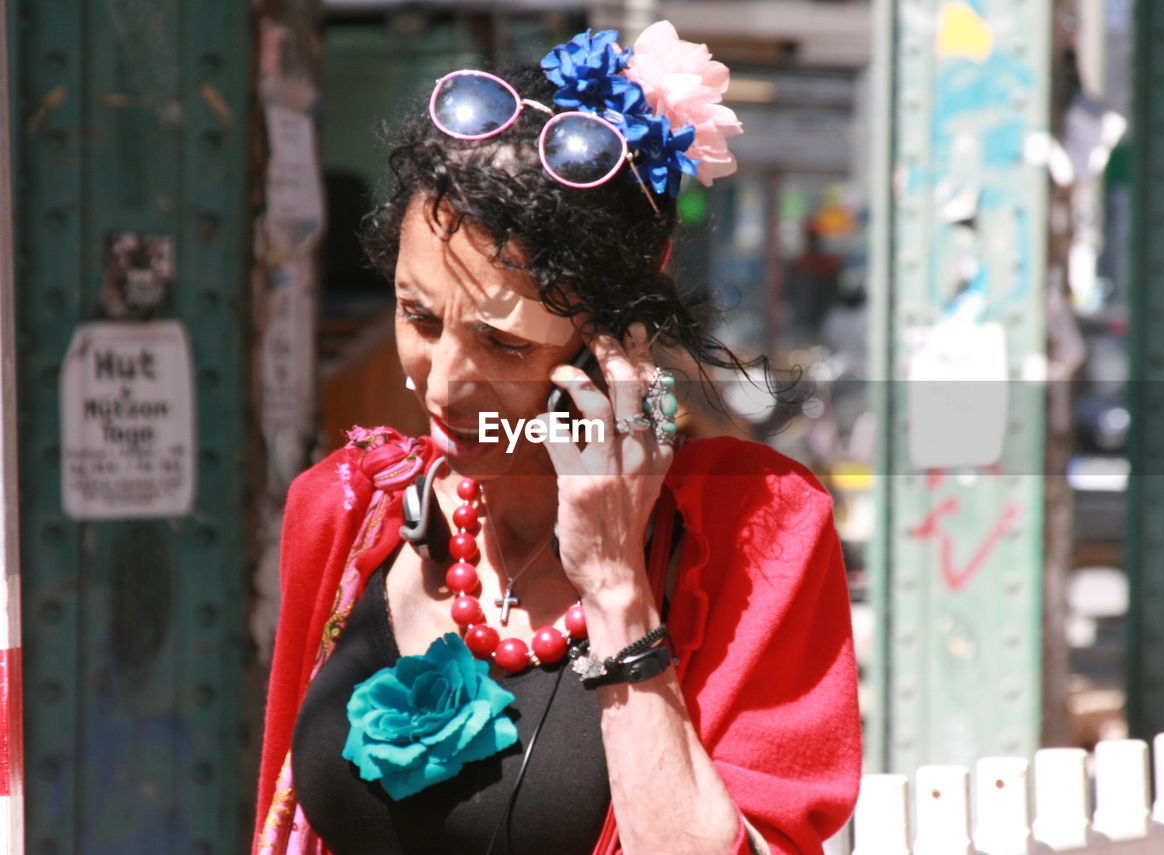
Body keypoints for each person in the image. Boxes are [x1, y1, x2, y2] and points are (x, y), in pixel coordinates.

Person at [253, 22, 860, 855]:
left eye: (504, 344)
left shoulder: (760, 528)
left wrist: (616, 588)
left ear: (611, 352)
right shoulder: (343, 507)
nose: (442, 384)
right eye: (419, 316)